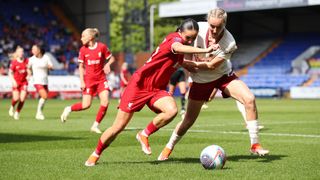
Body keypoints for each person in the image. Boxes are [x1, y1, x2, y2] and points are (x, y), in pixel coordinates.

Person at [84, 18, 219, 166]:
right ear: (180, 32)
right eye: (188, 37)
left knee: (172, 110)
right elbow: (178, 47)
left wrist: (203, 65)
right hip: (138, 86)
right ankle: (95, 154)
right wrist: (205, 50)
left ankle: (144, 134)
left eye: (193, 39)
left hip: (156, 89)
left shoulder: (181, 47)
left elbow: (183, 62)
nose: (189, 41)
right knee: (118, 127)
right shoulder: (174, 39)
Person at [158, 8, 269, 161]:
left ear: (225, 24)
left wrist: (189, 64)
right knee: (188, 121)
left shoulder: (229, 42)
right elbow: (181, 43)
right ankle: (168, 147)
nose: (215, 30)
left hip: (223, 76)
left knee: (249, 99)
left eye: (219, 26)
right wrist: (187, 64)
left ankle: (255, 144)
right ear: (207, 22)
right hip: (201, 81)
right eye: (212, 26)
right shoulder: (197, 28)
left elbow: (212, 66)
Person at [60, 28, 115, 134]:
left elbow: (112, 58)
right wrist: (82, 81)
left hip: (101, 80)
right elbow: (81, 67)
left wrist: (107, 64)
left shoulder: (102, 47)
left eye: (83, 36)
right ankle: (69, 108)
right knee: (86, 105)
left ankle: (95, 126)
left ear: (90, 37)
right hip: (89, 81)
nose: (81, 39)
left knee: (105, 101)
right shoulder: (83, 50)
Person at [28, 44, 53, 120]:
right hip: (37, 81)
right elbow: (28, 68)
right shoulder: (31, 59)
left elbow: (51, 66)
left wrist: (50, 67)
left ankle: (39, 113)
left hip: (45, 81)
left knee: (44, 98)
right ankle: (39, 113)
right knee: (44, 96)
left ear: (39, 50)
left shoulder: (46, 57)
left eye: (34, 49)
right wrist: (29, 74)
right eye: (32, 49)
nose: (32, 51)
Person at [8, 46, 30, 120]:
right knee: (16, 98)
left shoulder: (26, 61)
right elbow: (10, 73)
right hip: (16, 83)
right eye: (20, 52)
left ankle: (17, 112)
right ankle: (12, 107)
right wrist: (13, 81)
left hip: (24, 82)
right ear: (17, 53)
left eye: (22, 52)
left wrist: (29, 75)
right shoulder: (14, 62)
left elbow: (29, 70)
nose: (21, 53)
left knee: (22, 99)